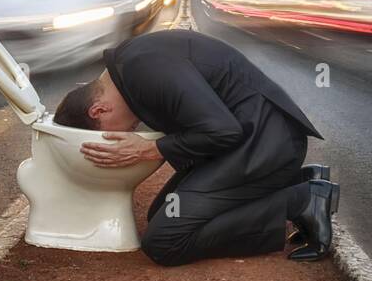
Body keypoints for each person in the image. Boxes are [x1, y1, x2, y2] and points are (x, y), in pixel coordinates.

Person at [54, 30, 337, 267]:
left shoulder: (145, 71)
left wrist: (148, 150)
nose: (124, 135)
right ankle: (292, 182)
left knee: (163, 242)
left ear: (98, 109)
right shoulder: (130, 65)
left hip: (265, 146)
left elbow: (223, 129)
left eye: (107, 135)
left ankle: (301, 200)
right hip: (252, 142)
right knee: (162, 215)